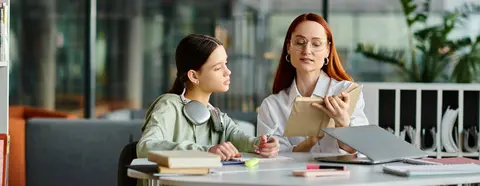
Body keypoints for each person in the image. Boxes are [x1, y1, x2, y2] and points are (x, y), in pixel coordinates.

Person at [136, 34, 280, 160]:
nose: (228, 72)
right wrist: (206, 151)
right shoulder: (168, 106)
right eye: (218, 68)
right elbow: (145, 147)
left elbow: (240, 139)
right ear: (193, 76)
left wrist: (261, 144)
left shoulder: (217, 116)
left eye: (226, 64)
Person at [256, 13, 370, 154]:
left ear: (327, 50)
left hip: (340, 175)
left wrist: (343, 123)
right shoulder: (272, 106)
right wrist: (309, 142)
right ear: (288, 47)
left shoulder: (346, 92)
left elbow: (363, 151)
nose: (307, 51)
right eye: (299, 42)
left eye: (316, 44)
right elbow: (271, 161)